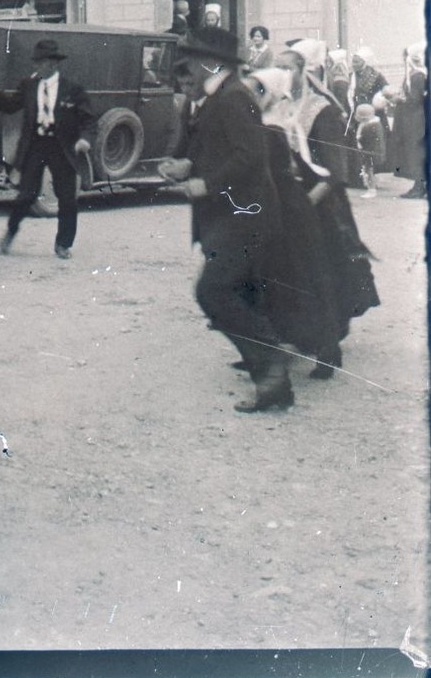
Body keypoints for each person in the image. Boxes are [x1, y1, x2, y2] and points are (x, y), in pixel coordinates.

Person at [158, 26, 291, 413]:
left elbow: (252, 156)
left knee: (212, 291)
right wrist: (187, 166)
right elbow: (225, 151)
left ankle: (272, 369)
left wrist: (205, 183)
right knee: (240, 293)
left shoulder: (234, 98)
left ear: (210, 62)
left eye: (192, 63)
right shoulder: (220, 98)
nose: (187, 73)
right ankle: (272, 379)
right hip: (233, 216)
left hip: (245, 217)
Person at [268, 44, 379, 365]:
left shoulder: (323, 110)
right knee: (281, 272)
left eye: (288, 68)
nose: (282, 75)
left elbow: (335, 171)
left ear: (307, 71)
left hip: (321, 207)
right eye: (278, 68)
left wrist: (305, 206)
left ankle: (328, 347)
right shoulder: (278, 106)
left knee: (321, 274)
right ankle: (279, 339)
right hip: (286, 203)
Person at [243, 67, 345, 379]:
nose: (252, 99)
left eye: (258, 92)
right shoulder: (268, 121)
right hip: (273, 207)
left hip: (287, 209)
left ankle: (328, 349)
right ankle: (266, 347)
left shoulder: (275, 123)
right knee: (270, 278)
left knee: (304, 276)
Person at [0, 38, 95, 260]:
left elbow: (89, 120)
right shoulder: (29, 86)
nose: (36, 67)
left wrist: (84, 139)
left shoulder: (73, 90)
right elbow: (10, 105)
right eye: (35, 62)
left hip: (62, 147)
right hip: (35, 146)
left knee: (67, 198)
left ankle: (63, 244)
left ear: (52, 64)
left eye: (40, 63)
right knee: (25, 196)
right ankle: (10, 233)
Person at [391, 41, 427, 198]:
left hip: (415, 120)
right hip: (413, 119)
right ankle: (418, 186)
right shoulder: (417, 74)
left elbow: (415, 99)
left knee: (416, 153)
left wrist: (398, 99)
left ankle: (419, 188)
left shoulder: (417, 76)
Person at [353, 102, 386, 198]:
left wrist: (359, 141)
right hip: (374, 151)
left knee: (369, 170)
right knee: (370, 170)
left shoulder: (369, 127)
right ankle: (373, 186)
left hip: (370, 152)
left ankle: (371, 190)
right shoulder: (376, 123)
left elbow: (364, 139)